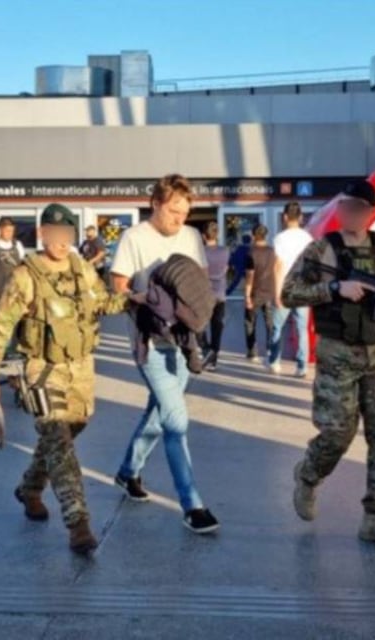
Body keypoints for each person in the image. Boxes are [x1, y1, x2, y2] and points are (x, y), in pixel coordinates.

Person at [0, 203, 130, 555]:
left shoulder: (82, 269)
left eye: (68, 235)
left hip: (81, 368)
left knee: (70, 429)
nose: (62, 241)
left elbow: (102, 304)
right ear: (42, 233)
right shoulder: (25, 276)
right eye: (55, 234)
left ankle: (30, 487)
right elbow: (0, 329)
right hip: (42, 369)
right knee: (60, 442)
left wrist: (133, 299)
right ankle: (78, 524)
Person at [284, 179, 375, 551]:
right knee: (337, 433)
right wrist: (332, 290)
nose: (350, 214)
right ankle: (309, 475)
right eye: (345, 206)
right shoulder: (321, 250)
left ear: (371, 213)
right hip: (338, 357)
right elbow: (288, 293)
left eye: (358, 208)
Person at [110, 174, 220, 535]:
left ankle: (128, 473)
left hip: (185, 342)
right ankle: (192, 504)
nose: (180, 220)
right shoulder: (134, 238)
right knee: (176, 420)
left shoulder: (190, 237)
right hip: (150, 343)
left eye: (185, 213)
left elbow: (199, 281)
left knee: (158, 415)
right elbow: (119, 288)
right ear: (155, 203)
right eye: (174, 211)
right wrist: (148, 297)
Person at [268, 202, 314, 377]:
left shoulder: (280, 238)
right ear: (301, 217)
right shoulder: (308, 238)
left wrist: (277, 293)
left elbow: (279, 267)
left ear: (285, 217)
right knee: (302, 329)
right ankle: (302, 367)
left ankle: (275, 362)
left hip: (286, 287)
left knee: (277, 327)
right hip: (302, 287)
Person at [200, 221, 229, 371]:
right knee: (217, 328)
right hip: (220, 295)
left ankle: (206, 351)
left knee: (199, 326)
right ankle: (213, 360)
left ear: (204, 236)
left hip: (204, 295)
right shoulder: (225, 251)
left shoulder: (199, 252)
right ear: (217, 234)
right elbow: (226, 268)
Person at [244, 224, 275, 362]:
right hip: (269, 291)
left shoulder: (251, 253)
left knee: (250, 322)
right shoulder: (273, 251)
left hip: (255, 293)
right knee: (269, 322)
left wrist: (247, 296)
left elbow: (250, 277)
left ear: (253, 235)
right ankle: (270, 348)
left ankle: (252, 351)